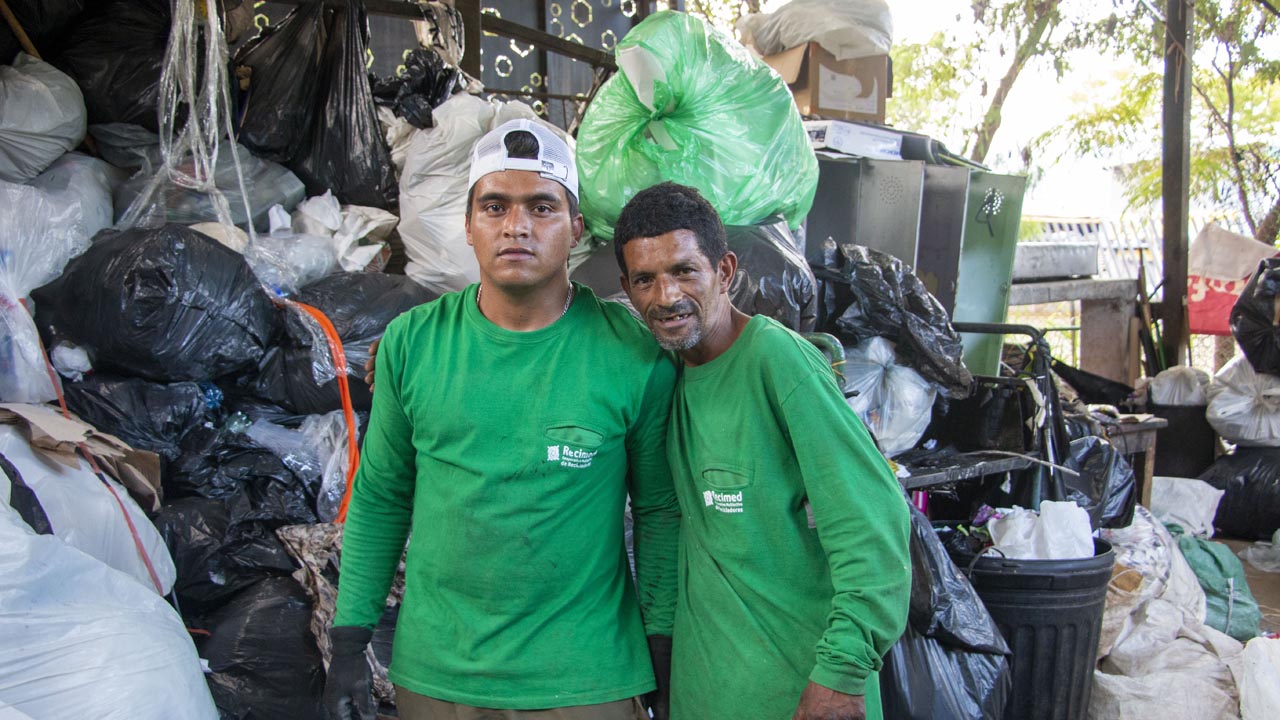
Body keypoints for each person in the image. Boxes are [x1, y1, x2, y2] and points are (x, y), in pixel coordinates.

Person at [324, 119, 679, 720]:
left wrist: (662, 650)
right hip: (439, 678)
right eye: (495, 206)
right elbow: (381, 497)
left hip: (588, 679)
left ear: (576, 229)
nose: (516, 226)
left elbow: (658, 512)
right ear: (468, 226)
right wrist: (349, 640)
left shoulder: (634, 353)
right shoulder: (413, 343)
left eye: (542, 207)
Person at [613, 182, 911, 720]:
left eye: (684, 271)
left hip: (803, 692)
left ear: (724, 272)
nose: (666, 296)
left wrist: (842, 673)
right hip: (707, 693)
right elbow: (666, 523)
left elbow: (872, 524)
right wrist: (659, 657)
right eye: (645, 280)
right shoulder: (665, 378)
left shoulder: (778, 361)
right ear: (627, 290)